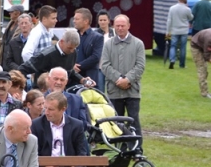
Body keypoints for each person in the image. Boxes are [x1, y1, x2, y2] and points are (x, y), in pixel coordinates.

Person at [100, 15, 146, 143]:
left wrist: (128, 79)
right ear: (113, 26)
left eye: (122, 26)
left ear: (129, 26)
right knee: (115, 122)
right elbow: (104, 65)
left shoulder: (138, 44)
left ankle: (137, 150)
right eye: (117, 26)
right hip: (114, 91)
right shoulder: (108, 44)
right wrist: (119, 79)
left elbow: (140, 66)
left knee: (134, 120)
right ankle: (119, 149)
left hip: (133, 91)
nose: (120, 28)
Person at [18, 29, 95, 90]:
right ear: (62, 42)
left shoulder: (73, 52)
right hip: (42, 94)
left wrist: (83, 80)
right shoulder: (46, 55)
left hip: (60, 93)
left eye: (74, 48)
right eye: (70, 48)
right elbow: (22, 69)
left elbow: (69, 70)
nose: (72, 51)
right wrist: (22, 88)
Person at [166, 0, 194, 69]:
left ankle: (172, 60)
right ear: (185, 0)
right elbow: (191, 17)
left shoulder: (172, 8)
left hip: (175, 30)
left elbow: (169, 21)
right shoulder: (187, 9)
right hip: (184, 30)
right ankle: (182, 64)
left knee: (173, 46)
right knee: (182, 47)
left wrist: (168, 31)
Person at [0, 5, 24, 70]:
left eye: (11, 12)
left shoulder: (23, 27)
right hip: (4, 56)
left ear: (18, 13)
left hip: (14, 58)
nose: (9, 13)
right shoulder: (10, 24)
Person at [189, 28, 211, 99]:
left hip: (202, 43)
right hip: (196, 47)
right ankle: (204, 93)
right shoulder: (209, 39)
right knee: (202, 69)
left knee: (205, 70)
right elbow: (207, 55)